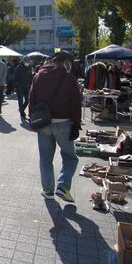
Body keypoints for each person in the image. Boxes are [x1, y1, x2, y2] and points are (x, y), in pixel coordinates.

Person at [29, 51, 81, 203]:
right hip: (64, 122)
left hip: (43, 123)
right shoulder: (69, 77)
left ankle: (48, 190)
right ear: (65, 62)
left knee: (45, 159)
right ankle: (63, 186)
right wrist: (76, 124)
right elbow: (75, 103)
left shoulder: (38, 76)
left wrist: (33, 122)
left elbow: (32, 100)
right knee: (70, 157)